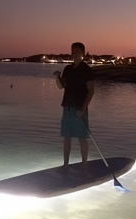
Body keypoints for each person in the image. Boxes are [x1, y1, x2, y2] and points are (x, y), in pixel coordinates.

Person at [53, 42, 95, 174]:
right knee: (67, 136)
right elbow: (61, 86)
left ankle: (84, 165)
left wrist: (83, 108)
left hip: (80, 108)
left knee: (82, 138)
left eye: (77, 51)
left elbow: (91, 91)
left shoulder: (87, 70)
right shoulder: (68, 69)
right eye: (73, 51)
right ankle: (65, 164)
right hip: (68, 106)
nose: (74, 53)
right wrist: (57, 77)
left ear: (83, 53)